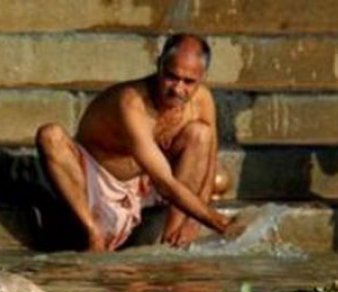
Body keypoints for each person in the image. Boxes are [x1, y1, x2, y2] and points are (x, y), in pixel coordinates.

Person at [36, 33, 239, 251]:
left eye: (189, 82)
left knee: (212, 160)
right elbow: (165, 183)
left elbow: (209, 156)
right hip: (101, 180)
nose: (178, 89)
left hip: (145, 183)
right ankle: (91, 229)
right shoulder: (132, 101)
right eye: (171, 77)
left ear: (202, 77)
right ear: (159, 65)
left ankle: (171, 239)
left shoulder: (202, 99)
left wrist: (193, 221)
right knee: (50, 135)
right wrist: (220, 223)